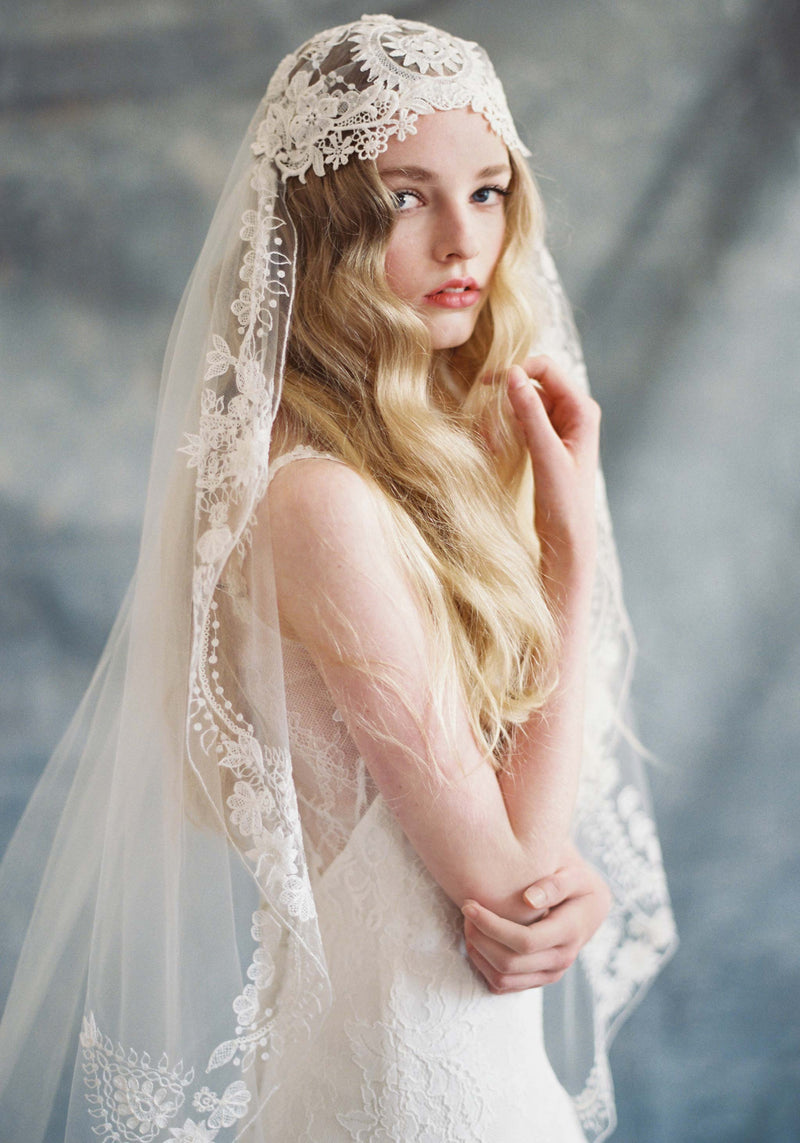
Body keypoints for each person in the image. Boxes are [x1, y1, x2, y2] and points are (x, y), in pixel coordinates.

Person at [0, 15, 676, 1142]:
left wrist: (572, 895)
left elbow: (522, 858)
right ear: (317, 232)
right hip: (408, 1099)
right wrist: (570, 552)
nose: (463, 241)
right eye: (404, 198)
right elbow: (502, 897)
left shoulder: (420, 473)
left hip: (469, 1078)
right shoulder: (317, 502)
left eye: (489, 189)